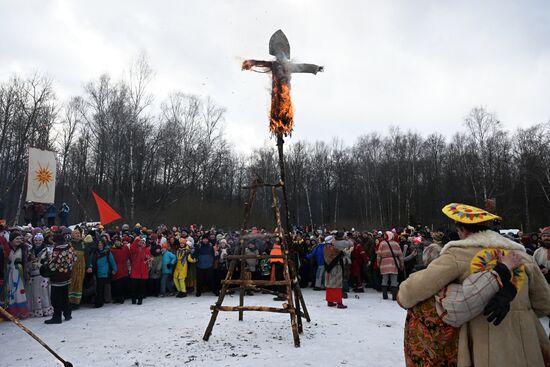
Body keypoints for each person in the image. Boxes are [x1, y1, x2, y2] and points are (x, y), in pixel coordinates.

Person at [398, 203, 550, 367]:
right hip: (525, 346)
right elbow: (544, 304)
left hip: (481, 346)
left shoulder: (457, 254)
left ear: (462, 230)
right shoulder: (522, 255)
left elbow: (414, 290)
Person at [45, 233, 77, 324]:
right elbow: (74, 259)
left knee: (55, 298)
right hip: (67, 275)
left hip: (57, 277)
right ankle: (67, 314)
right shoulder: (70, 248)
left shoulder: (57, 250)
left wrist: (47, 265)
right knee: (65, 296)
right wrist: (68, 267)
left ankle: (57, 317)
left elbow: (53, 264)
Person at [2, 232, 29, 319]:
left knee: (19, 292)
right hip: (8, 274)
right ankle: (10, 313)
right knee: (10, 292)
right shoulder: (6, 248)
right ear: (11, 239)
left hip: (19, 273)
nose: (19, 240)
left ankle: (21, 312)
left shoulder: (23, 248)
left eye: (20, 239)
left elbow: (26, 261)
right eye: (17, 239)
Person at [27, 233, 53, 317]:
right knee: (35, 294)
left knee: (44, 294)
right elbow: (27, 261)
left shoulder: (47, 250)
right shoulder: (30, 250)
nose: (37, 242)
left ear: (42, 241)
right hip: (33, 275)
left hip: (43, 274)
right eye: (36, 240)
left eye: (39, 240)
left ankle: (46, 310)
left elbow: (50, 261)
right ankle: (37, 310)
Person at [87, 239, 117, 308]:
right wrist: (90, 267)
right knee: (98, 288)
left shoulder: (107, 252)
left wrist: (114, 269)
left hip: (103, 271)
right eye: (99, 245)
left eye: (101, 245)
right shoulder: (94, 252)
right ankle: (99, 301)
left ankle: (99, 302)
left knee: (99, 288)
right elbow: (91, 261)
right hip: (96, 271)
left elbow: (112, 261)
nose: (100, 246)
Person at [377, 231, 404, 300]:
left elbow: (379, 254)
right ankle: (394, 296)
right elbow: (400, 255)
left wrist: (378, 263)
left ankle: (385, 296)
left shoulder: (382, 243)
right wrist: (401, 264)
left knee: (384, 279)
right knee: (394, 280)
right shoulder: (396, 244)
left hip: (384, 262)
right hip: (394, 263)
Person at [324, 236, 346, 308]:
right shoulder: (332, 248)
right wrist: (343, 252)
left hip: (329, 268)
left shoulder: (326, 248)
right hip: (335, 268)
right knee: (337, 285)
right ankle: (339, 302)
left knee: (330, 285)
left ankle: (330, 301)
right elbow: (338, 256)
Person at [68, 229, 86, 309]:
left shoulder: (83, 243)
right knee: (71, 283)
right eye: (76, 233)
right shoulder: (70, 244)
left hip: (81, 266)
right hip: (72, 266)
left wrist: (89, 266)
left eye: (79, 233)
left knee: (79, 283)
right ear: (72, 235)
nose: (78, 235)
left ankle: (77, 302)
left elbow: (87, 255)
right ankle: (70, 301)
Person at [129, 237, 150, 305]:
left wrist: (148, 259)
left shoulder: (146, 249)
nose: (142, 243)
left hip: (143, 271)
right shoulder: (135, 249)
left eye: (143, 242)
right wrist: (137, 239)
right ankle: (133, 299)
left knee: (141, 287)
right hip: (135, 270)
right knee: (133, 287)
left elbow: (149, 258)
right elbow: (132, 247)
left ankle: (140, 300)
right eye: (140, 242)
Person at [110, 235, 131, 304]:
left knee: (123, 284)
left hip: (124, 268)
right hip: (116, 269)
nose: (117, 242)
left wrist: (129, 266)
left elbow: (129, 256)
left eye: (118, 241)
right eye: (116, 241)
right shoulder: (112, 250)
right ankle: (118, 298)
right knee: (117, 285)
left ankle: (123, 296)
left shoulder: (125, 248)